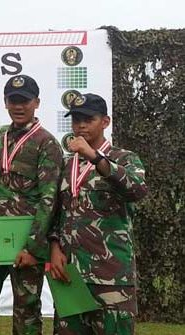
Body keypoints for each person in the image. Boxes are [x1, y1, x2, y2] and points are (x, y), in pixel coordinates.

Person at [0, 75, 64, 335]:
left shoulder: (47, 143)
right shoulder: (0, 135)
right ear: (5, 102)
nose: (18, 106)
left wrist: (32, 247)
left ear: (36, 103)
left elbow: (49, 199)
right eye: (13, 100)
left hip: (26, 241)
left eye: (24, 101)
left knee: (26, 310)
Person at [49, 93, 147, 335]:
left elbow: (137, 189)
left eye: (88, 119)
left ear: (105, 121)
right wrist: (54, 246)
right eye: (76, 120)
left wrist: (95, 157)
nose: (80, 125)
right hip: (71, 275)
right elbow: (57, 212)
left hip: (111, 276)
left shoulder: (124, 158)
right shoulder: (67, 164)